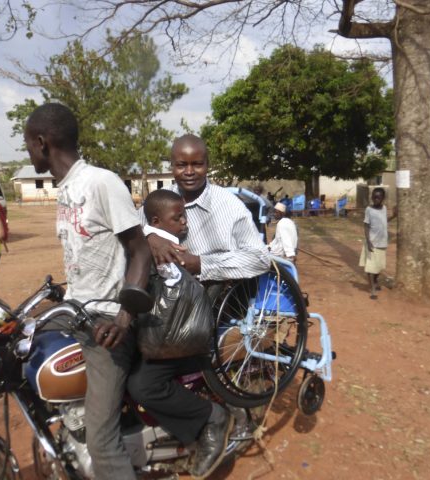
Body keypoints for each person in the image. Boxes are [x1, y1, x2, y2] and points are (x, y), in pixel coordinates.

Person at [129, 134, 270, 480]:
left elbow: (259, 258)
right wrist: (149, 235)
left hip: (210, 302)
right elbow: (130, 233)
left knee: (144, 383)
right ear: (172, 166)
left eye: (197, 164)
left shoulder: (228, 206)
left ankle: (212, 421)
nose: (189, 171)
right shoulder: (157, 201)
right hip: (166, 301)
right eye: (182, 164)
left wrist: (203, 264)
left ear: (208, 164)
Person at [24, 103, 151, 480]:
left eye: (28, 144)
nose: (28, 152)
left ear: (42, 142)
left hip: (107, 325)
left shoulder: (101, 182)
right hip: (77, 313)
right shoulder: (66, 188)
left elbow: (140, 251)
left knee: (101, 442)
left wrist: (124, 318)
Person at [359, 187, 396, 300]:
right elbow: (366, 225)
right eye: (374, 197)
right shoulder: (369, 210)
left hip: (382, 243)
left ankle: (375, 282)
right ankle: (373, 290)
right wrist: (368, 241)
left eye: (378, 197)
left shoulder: (384, 208)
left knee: (379, 266)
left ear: (383, 198)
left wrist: (394, 215)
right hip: (372, 242)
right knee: (371, 267)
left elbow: (384, 221)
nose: (376, 199)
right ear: (372, 197)